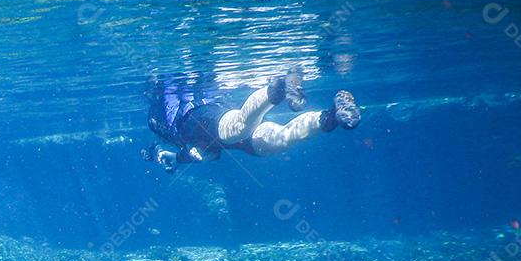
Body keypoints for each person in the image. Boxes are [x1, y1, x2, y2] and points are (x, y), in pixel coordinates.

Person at [142, 68, 361, 170]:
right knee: (280, 140)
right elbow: (209, 154)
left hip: (197, 119)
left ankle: (279, 88)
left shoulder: (158, 123)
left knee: (238, 127)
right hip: (224, 132)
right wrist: (179, 157)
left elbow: (202, 153)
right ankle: (333, 116)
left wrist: (180, 156)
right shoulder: (173, 143)